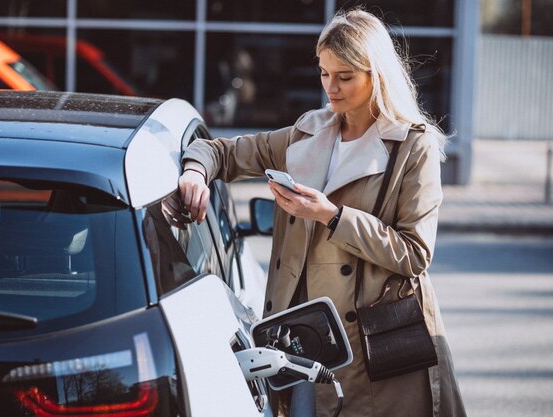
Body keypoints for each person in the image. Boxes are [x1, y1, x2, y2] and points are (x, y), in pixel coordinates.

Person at [178, 8, 467, 417]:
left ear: (376, 74)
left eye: (345, 76)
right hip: (303, 346)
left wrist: (332, 215)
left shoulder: (411, 146)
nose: (331, 87)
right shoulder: (307, 132)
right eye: (324, 73)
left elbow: (415, 253)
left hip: (375, 350)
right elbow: (222, 151)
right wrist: (195, 172)